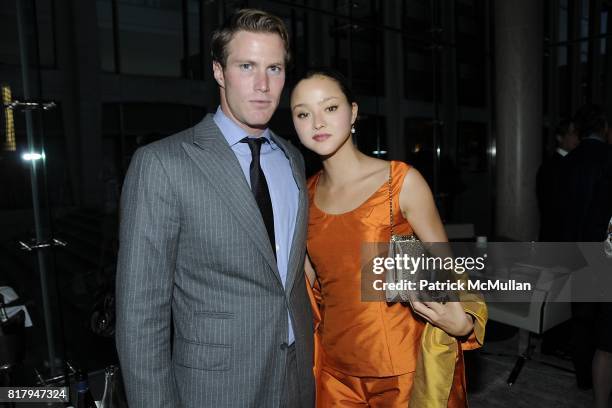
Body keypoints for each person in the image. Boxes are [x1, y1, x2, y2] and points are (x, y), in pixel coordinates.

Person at [115, 9, 314, 408]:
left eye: (274, 68)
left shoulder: (292, 159)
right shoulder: (163, 163)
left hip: (298, 379)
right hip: (216, 389)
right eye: (246, 66)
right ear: (219, 72)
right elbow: (140, 315)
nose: (262, 85)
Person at [290, 68, 486, 407]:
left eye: (330, 108)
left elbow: (446, 263)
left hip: (402, 370)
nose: (317, 122)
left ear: (353, 113)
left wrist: (466, 320)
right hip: (334, 372)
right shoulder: (302, 196)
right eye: (303, 113)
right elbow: (309, 286)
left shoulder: (401, 182)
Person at [559, 104, 612, 407]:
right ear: (603, 126)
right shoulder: (608, 157)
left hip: (573, 249)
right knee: (604, 326)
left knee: (580, 317)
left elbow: (559, 211)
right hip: (603, 250)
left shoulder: (567, 162)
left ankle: (582, 379)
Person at [536, 118, 579, 241]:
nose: (577, 137)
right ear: (560, 137)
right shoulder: (551, 167)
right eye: (572, 133)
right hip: (556, 236)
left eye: (577, 133)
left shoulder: (573, 163)